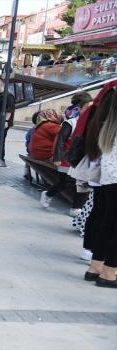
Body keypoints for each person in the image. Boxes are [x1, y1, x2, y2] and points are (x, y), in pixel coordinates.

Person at [80, 83, 117, 288]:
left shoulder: (107, 124)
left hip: (108, 179)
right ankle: (109, 273)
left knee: (108, 224)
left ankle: (95, 267)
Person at [40, 96, 94, 216]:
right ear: (79, 109)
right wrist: (57, 157)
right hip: (69, 158)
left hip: (85, 159)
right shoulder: (71, 123)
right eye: (87, 108)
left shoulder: (95, 124)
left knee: (82, 183)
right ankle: (48, 194)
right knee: (65, 182)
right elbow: (60, 140)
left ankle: (76, 208)